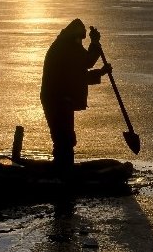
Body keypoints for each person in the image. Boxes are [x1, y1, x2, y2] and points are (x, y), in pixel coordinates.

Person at [40, 19, 112, 170]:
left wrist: (101, 72)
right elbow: (86, 62)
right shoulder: (65, 48)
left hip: (61, 99)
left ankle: (64, 168)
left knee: (65, 138)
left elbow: (78, 76)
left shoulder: (67, 45)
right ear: (74, 36)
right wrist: (95, 44)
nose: (80, 43)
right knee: (63, 138)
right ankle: (62, 170)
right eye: (79, 39)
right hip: (57, 99)